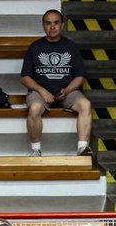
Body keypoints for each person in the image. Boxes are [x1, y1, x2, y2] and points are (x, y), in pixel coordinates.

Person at [20, 9, 92, 157]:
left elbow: (79, 77)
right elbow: (25, 77)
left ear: (62, 25)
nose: (52, 27)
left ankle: (82, 148)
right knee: (34, 108)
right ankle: (36, 150)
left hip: (67, 92)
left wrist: (66, 91)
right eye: (48, 23)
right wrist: (42, 91)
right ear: (43, 26)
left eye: (56, 23)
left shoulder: (71, 47)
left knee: (85, 104)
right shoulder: (35, 47)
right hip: (40, 93)